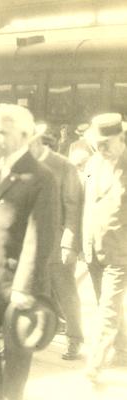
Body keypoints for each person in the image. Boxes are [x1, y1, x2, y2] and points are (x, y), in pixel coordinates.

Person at [0, 104, 57, 400]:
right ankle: (3, 394)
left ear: (24, 135)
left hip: (16, 283)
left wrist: (24, 287)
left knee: (17, 351)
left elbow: (40, 235)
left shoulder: (41, 177)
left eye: (2, 132)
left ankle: (10, 396)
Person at [29, 126, 84, 360]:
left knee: (65, 289)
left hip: (56, 241)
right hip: (28, 240)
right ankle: (29, 336)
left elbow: (73, 206)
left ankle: (74, 338)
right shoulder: (20, 163)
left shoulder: (64, 166)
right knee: (29, 289)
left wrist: (69, 242)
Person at [82, 113, 127, 382]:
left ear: (121, 138)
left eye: (106, 143)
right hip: (93, 249)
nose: (102, 148)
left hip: (120, 251)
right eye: (98, 143)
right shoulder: (92, 163)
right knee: (105, 305)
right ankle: (122, 350)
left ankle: (95, 364)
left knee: (108, 309)